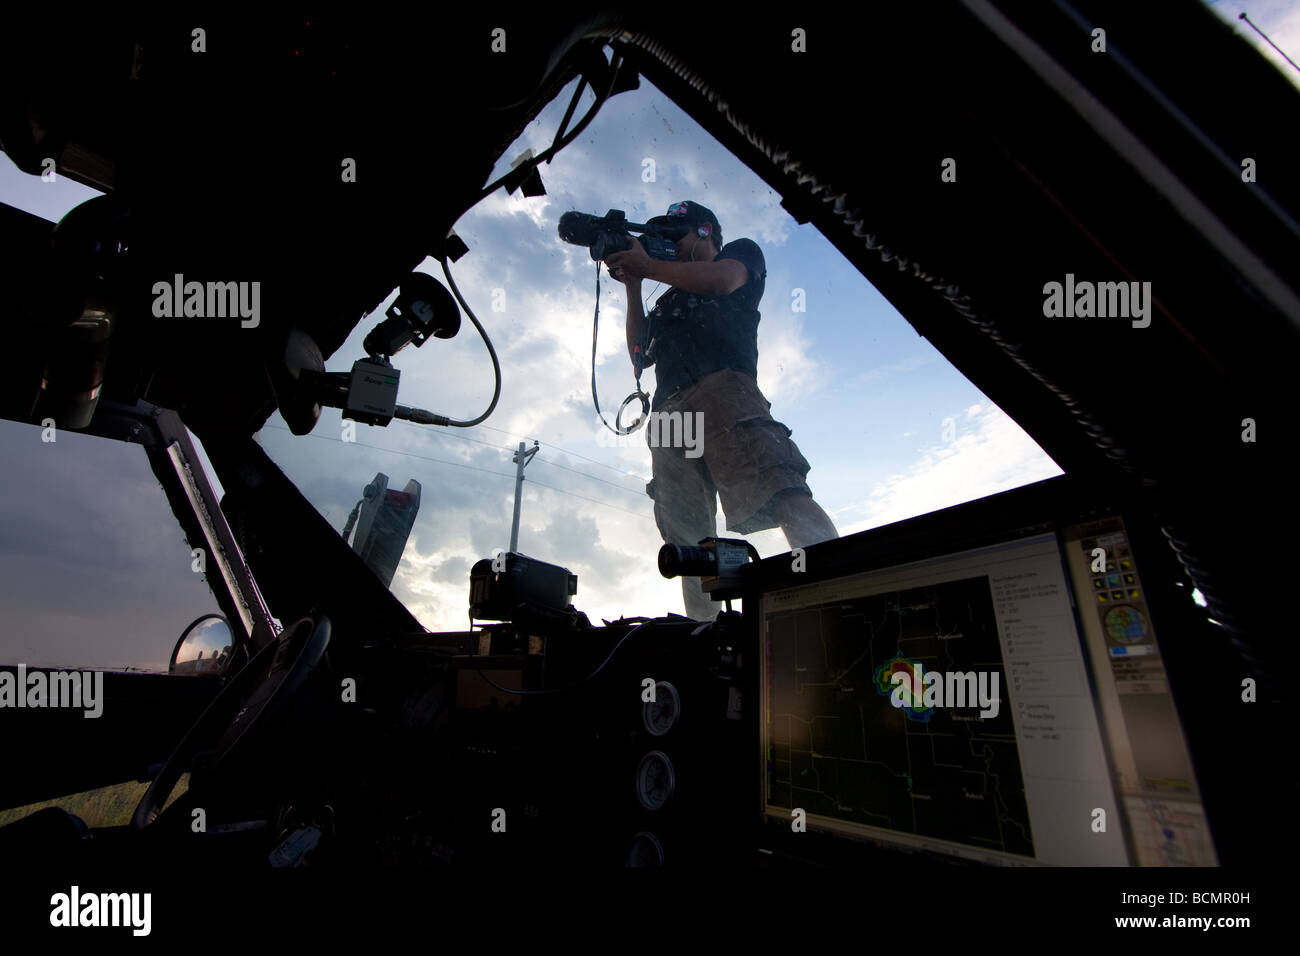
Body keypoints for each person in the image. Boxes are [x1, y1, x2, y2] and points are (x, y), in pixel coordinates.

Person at [604, 200, 838, 620]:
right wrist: (633, 286)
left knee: (778, 486)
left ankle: (841, 594)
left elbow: (720, 281)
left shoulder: (740, 255)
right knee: (687, 535)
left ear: (707, 231)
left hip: (724, 388)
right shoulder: (667, 299)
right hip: (670, 412)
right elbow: (639, 356)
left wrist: (646, 266)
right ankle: (705, 634)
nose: (670, 247)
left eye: (677, 236)